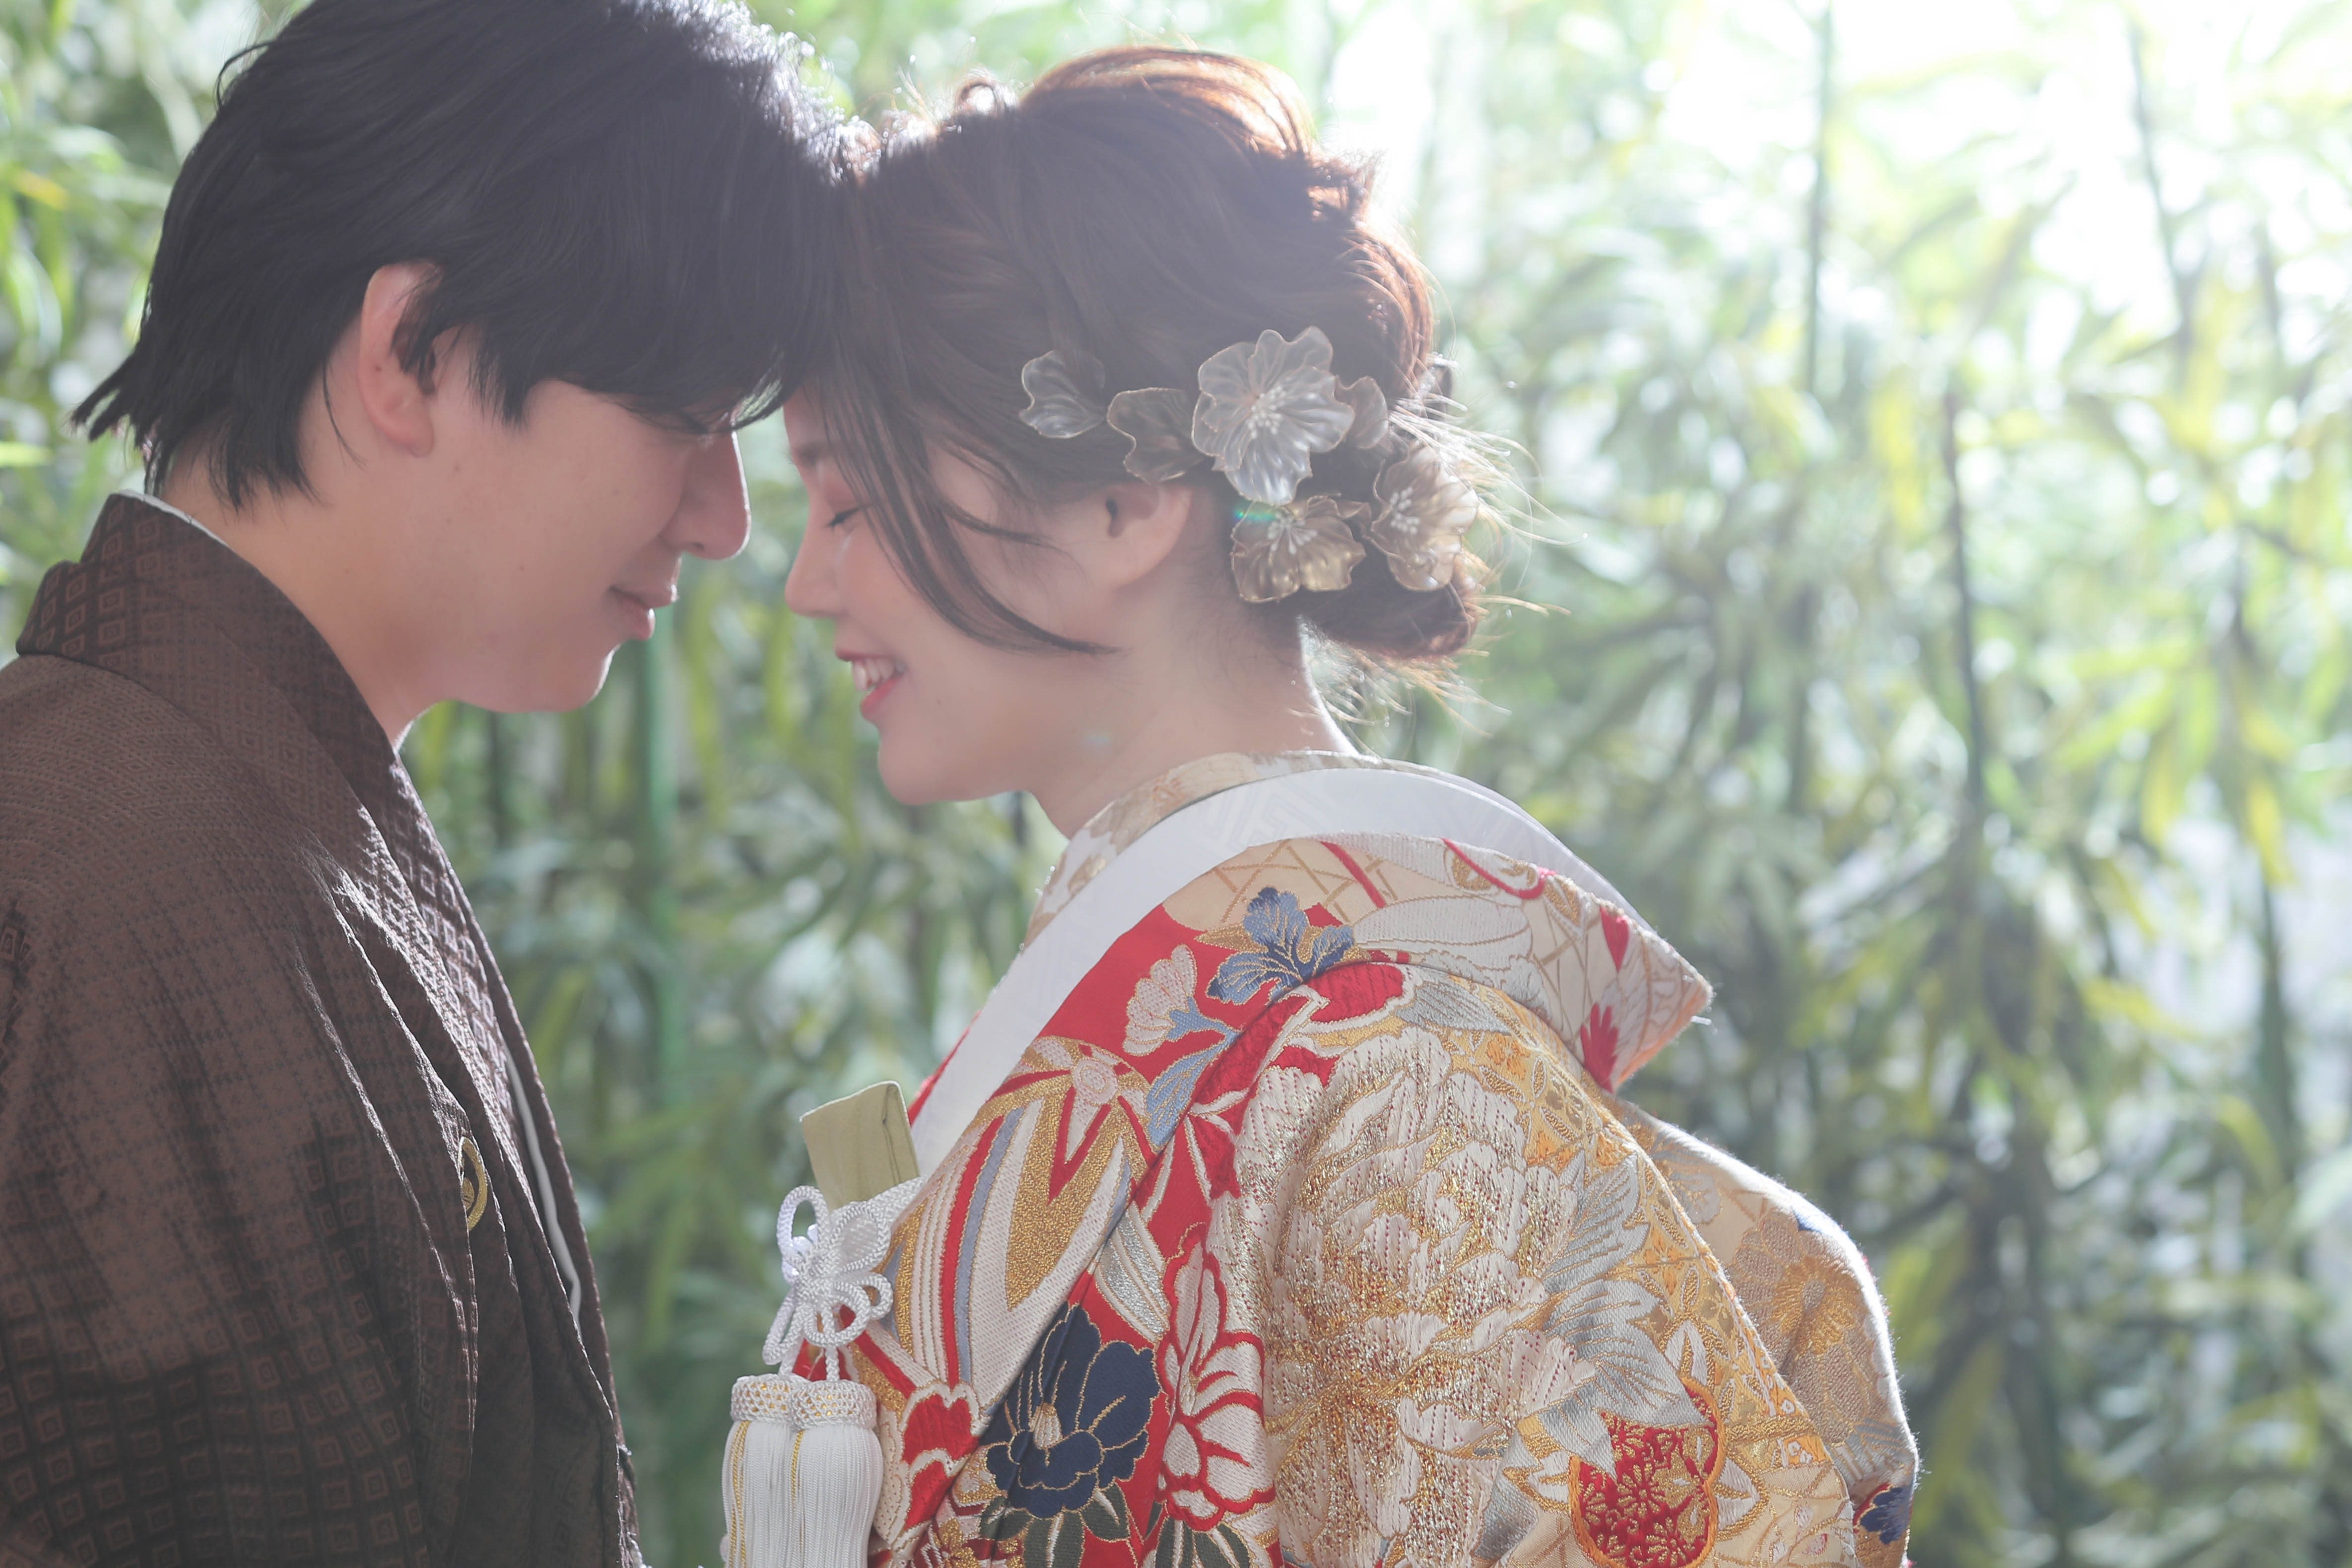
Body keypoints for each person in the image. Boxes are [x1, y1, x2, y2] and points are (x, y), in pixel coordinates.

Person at [771, 46, 1916, 1568]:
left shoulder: (1400, 1089)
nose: (807, 583)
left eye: (850, 501)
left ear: (1123, 507)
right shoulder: (1275, 1040)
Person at [0, 0, 836, 1562]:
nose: (724, 517)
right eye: (681, 417)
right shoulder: (105, 875)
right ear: (413, 352)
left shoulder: (207, 811)